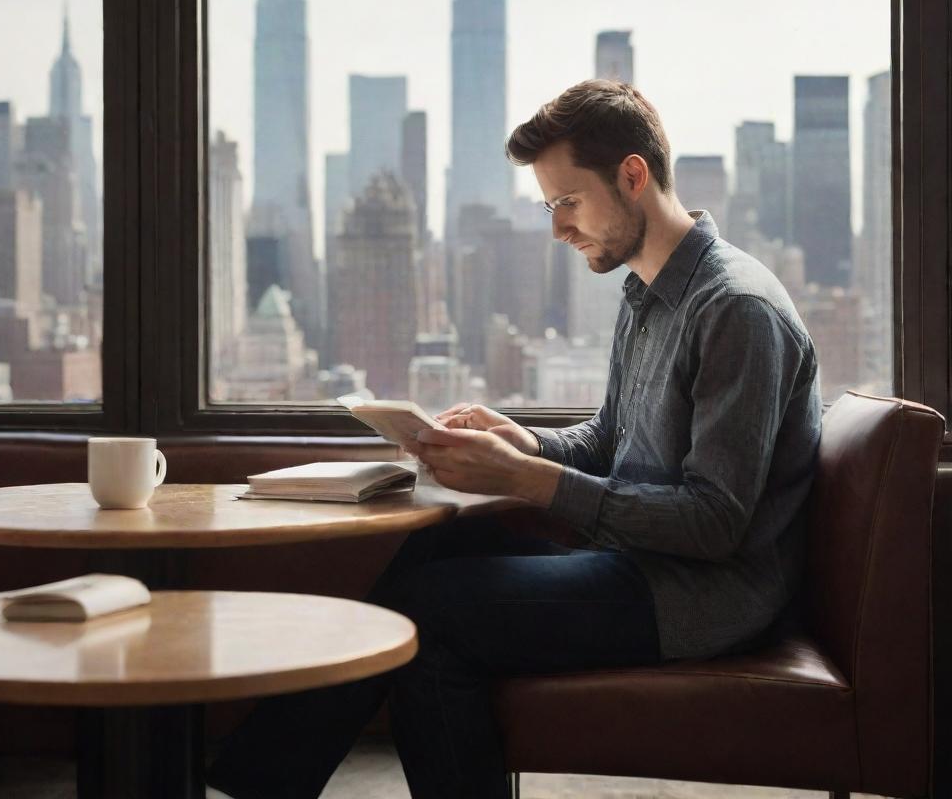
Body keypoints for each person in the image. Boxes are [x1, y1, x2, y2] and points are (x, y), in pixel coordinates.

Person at [206, 79, 821, 799]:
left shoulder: (736, 310)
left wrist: (528, 481)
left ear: (632, 175)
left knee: (428, 614)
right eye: (549, 205)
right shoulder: (646, 293)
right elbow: (611, 443)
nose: (558, 227)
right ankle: (254, 786)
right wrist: (522, 445)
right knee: (436, 549)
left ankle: (251, 786)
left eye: (568, 201)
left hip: (702, 597)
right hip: (640, 564)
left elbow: (715, 522)